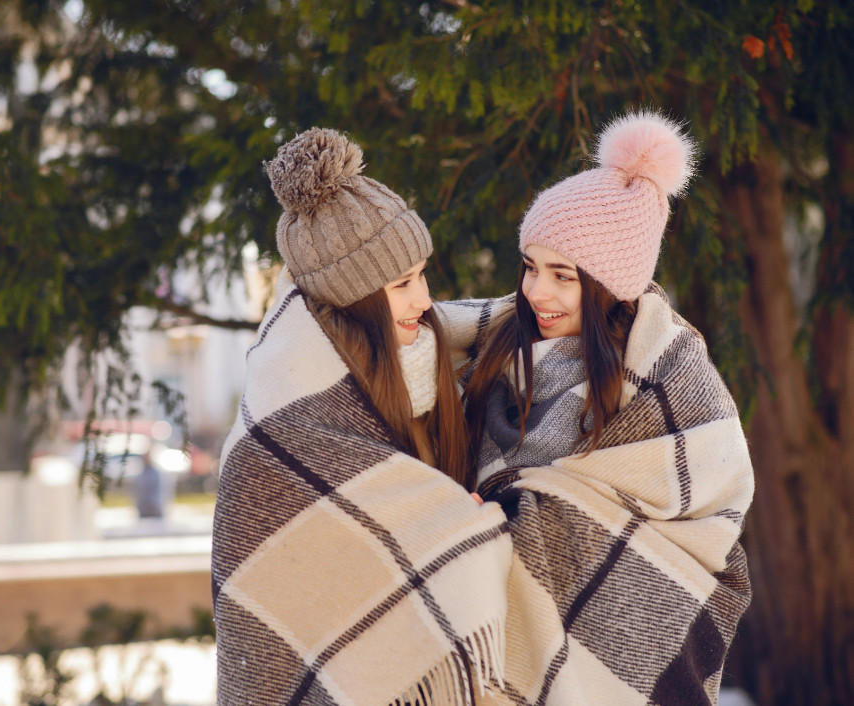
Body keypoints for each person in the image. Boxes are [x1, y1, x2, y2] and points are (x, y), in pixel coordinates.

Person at [443, 110, 755, 704]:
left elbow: (704, 520)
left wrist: (517, 517)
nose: (536, 292)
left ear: (607, 285)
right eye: (531, 268)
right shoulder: (491, 357)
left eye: (563, 275)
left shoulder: (672, 382)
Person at [211, 128, 511, 705]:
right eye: (402, 284)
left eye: (422, 274)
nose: (424, 301)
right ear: (355, 296)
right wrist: (457, 528)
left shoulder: (430, 368)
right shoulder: (285, 426)